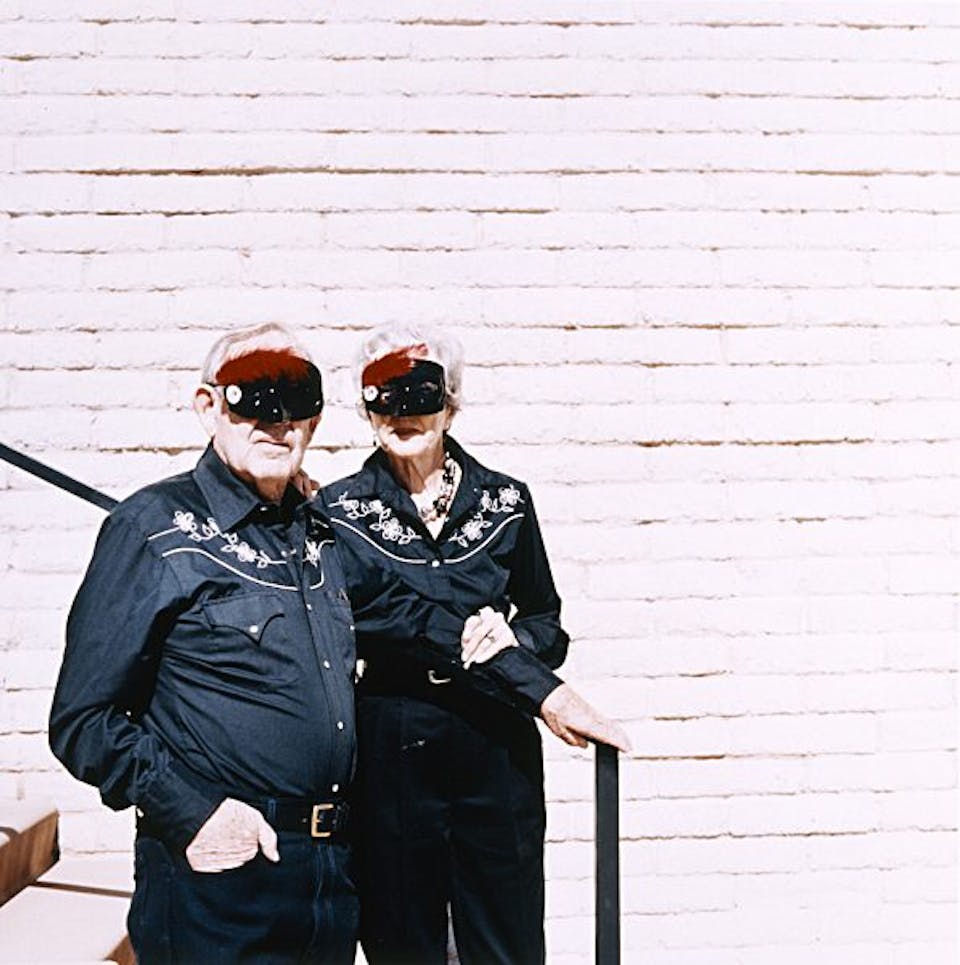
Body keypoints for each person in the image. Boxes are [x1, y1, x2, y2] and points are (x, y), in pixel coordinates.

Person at [320, 324, 630, 965]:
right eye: (383, 397)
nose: (402, 413)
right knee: (402, 936)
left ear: (451, 403)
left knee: (506, 933)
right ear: (365, 409)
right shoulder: (336, 512)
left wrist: (516, 640)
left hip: (494, 740)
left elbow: (547, 619)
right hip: (393, 738)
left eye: (420, 395)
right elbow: (365, 615)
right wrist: (489, 653)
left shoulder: (506, 501)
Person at [49, 323, 358, 965]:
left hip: (328, 876)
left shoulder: (322, 533)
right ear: (208, 406)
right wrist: (192, 811)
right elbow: (83, 719)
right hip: (217, 875)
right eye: (253, 396)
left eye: (296, 399)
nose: (276, 421)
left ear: (317, 416)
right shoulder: (152, 527)